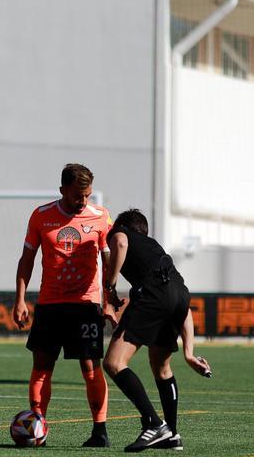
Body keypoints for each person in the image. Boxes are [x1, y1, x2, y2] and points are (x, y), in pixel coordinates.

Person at [12, 163, 117, 447]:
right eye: (76, 195)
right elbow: (27, 260)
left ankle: (100, 431)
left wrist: (109, 301)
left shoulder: (101, 217)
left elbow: (110, 263)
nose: (83, 201)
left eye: (87, 195)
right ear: (62, 190)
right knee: (42, 366)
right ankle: (37, 428)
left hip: (86, 305)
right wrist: (20, 298)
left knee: (91, 367)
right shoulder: (41, 216)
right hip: (50, 305)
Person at [101, 209, 212, 453]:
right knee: (161, 367)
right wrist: (189, 353)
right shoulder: (156, 252)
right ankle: (171, 433)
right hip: (178, 296)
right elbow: (182, 306)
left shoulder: (120, 232)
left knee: (113, 363)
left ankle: (154, 423)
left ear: (125, 226)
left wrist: (109, 288)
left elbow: (119, 241)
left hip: (151, 295)